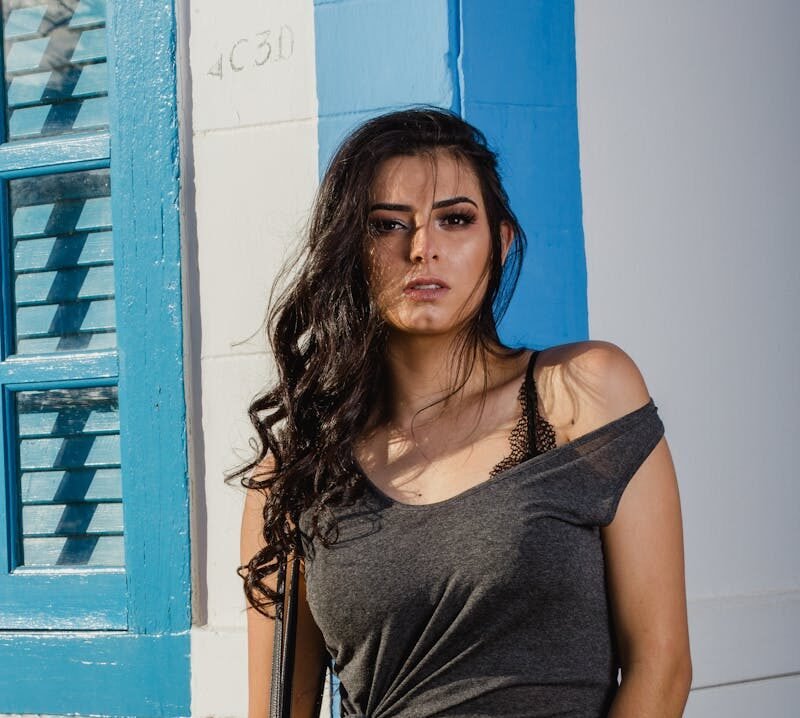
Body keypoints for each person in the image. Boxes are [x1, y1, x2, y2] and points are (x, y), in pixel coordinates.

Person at [237, 108, 692, 718]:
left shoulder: (586, 394)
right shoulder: (296, 466)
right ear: (350, 250)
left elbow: (660, 667)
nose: (423, 248)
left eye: (455, 220)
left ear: (498, 243)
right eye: (386, 226)